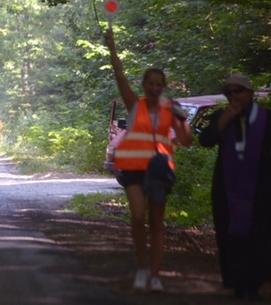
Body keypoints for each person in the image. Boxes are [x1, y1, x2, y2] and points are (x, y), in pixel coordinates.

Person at [105, 29, 191, 291]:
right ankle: (142, 269)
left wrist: (181, 117)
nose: (154, 87)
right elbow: (120, 75)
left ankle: (155, 274)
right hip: (133, 169)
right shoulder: (135, 104)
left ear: (162, 88)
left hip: (159, 171)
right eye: (150, 83)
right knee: (138, 215)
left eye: (158, 84)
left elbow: (186, 140)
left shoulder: (169, 109)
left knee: (156, 223)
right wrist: (112, 47)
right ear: (144, 86)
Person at [199, 74, 271, 300]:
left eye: (237, 91)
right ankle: (237, 283)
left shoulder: (265, 118)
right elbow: (206, 140)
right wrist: (225, 119)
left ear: (249, 92)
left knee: (258, 234)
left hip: (260, 185)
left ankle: (255, 284)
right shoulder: (221, 116)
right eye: (228, 93)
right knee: (230, 234)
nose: (233, 96)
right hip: (227, 186)